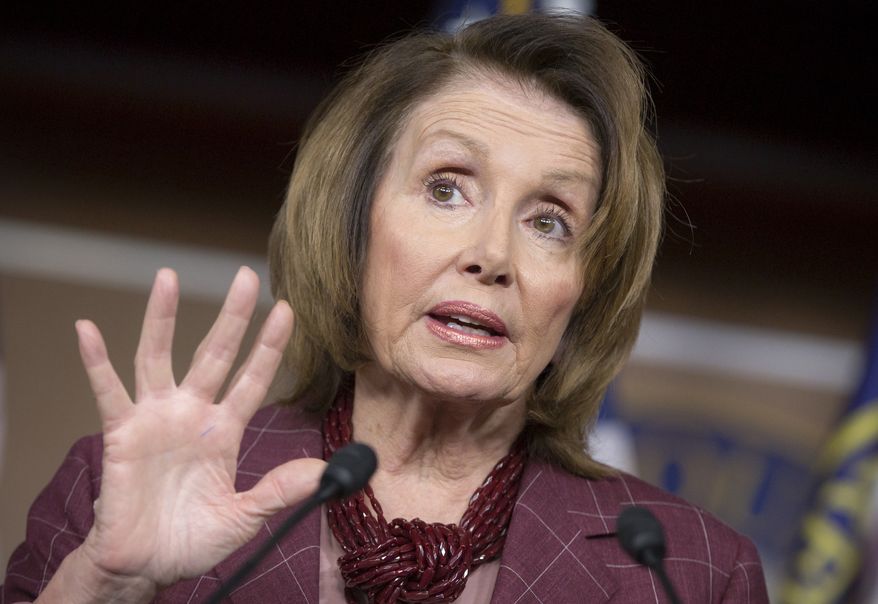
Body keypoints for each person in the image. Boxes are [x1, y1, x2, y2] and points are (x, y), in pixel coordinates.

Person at [2, 13, 769, 603]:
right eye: (447, 186)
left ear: (585, 288)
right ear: (353, 222)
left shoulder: (690, 570)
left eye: (548, 222)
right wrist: (105, 585)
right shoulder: (115, 491)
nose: (492, 256)